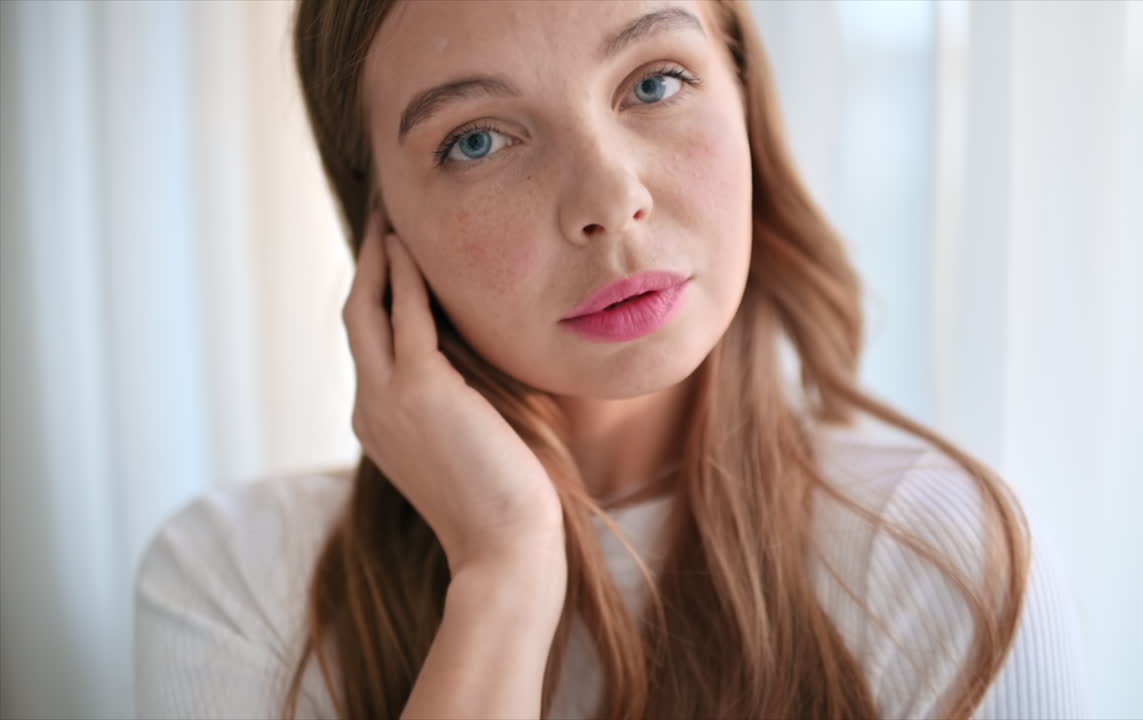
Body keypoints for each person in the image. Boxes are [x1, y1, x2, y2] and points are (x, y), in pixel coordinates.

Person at [134, 1, 1091, 718]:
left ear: (744, 97)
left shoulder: (936, 558)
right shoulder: (238, 580)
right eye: (477, 140)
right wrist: (503, 574)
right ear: (382, 224)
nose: (607, 196)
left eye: (656, 82)